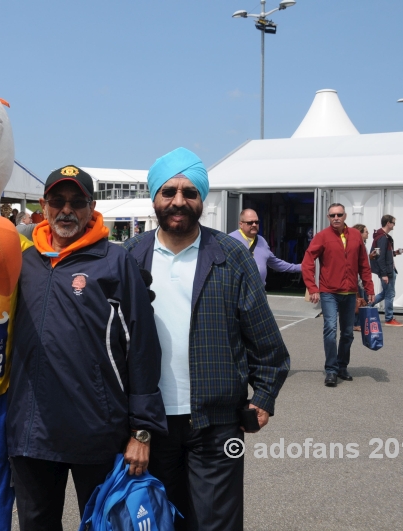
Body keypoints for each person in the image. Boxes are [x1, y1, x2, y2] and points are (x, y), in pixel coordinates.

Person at [124, 148, 290, 531]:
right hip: (151, 424)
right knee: (160, 521)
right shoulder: (131, 256)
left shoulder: (230, 255)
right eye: (168, 192)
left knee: (217, 523)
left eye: (189, 192)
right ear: (154, 198)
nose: (178, 201)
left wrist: (263, 398)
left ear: (202, 199)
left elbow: (267, 341)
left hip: (217, 425)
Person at [7, 165, 167, 530]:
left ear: (92, 206)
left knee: (103, 525)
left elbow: (142, 347)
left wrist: (141, 430)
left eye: (77, 202)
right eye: (57, 201)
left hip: (96, 431)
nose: (66, 210)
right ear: (43, 206)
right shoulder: (23, 260)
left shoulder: (115, 261)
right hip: (31, 434)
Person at [302, 203, 374, 387]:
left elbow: (364, 265)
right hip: (329, 292)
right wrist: (313, 287)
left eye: (339, 214)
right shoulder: (322, 236)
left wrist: (369, 289)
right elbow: (308, 261)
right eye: (332, 215)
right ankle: (331, 370)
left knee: (348, 333)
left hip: (350, 293)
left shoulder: (356, 236)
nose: (336, 218)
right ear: (328, 217)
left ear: (345, 216)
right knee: (331, 330)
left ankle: (342, 366)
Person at [228, 208, 301, 285]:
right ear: (241, 224)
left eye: (257, 222)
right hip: (237, 292)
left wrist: (299, 267)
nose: (254, 225)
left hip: (259, 291)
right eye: (250, 222)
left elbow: (275, 263)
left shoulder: (261, 241)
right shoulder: (230, 240)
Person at [369, 215, 403, 327]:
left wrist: (395, 253)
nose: (394, 225)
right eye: (393, 223)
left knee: (385, 293)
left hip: (389, 270)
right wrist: (384, 274)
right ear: (388, 223)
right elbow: (380, 257)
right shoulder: (383, 238)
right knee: (390, 294)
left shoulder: (383, 236)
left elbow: (384, 254)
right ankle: (389, 318)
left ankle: (366, 306)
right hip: (387, 271)